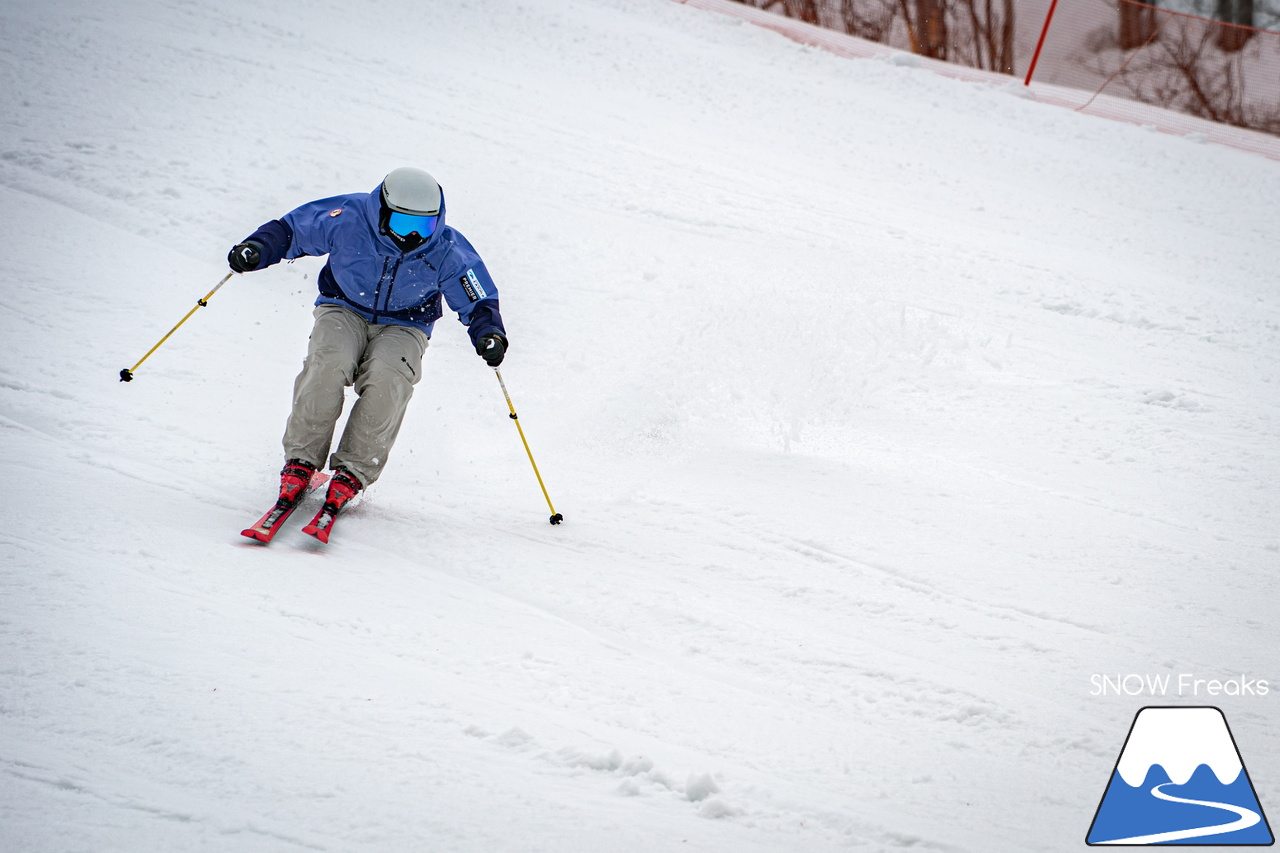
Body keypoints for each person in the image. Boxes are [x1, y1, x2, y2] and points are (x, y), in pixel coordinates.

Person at [229, 167, 507, 539]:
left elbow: (478, 294)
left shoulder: (446, 248)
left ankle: (353, 471)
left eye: (423, 227)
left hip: (406, 323)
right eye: (403, 222)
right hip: (343, 306)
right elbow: (293, 230)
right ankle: (301, 463)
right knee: (328, 364)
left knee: (390, 380)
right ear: (382, 209)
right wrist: (258, 248)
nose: (411, 236)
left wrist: (489, 332)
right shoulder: (350, 217)